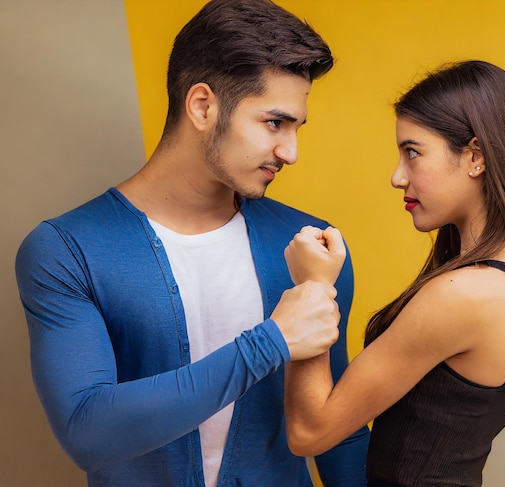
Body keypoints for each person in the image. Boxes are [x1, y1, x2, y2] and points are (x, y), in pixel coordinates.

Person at [14, 1, 370, 486]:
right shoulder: (68, 250)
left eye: (295, 127)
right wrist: (273, 341)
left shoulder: (311, 250)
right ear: (203, 106)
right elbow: (88, 432)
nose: (291, 152)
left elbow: (339, 430)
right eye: (274, 123)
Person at [282, 60, 505, 486]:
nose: (396, 177)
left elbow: (309, 432)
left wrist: (312, 288)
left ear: (476, 157)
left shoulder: (466, 294)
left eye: (413, 152)